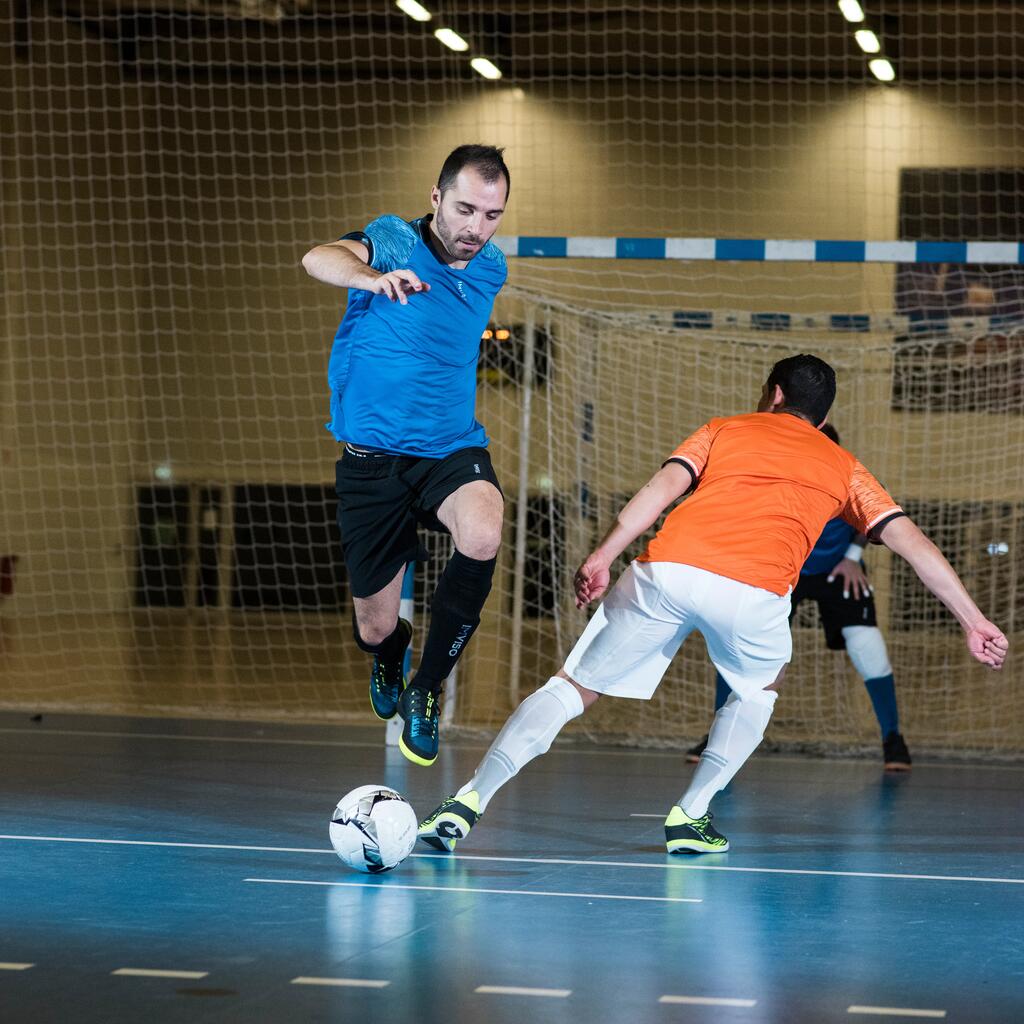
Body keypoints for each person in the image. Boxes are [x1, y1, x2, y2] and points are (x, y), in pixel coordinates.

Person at [417, 355, 1007, 854]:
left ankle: (467, 801)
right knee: (762, 683)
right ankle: (689, 815)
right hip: (753, 594)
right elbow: (914, 544)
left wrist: (603, 555)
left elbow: (658, 491)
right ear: (823, 416)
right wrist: (973, 619)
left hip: (666, 571)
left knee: (572, 686)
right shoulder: (846, 466)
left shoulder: (723, 428)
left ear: (773, 395)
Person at [302, 145, 510, 767]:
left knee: (484, 529)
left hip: (449, 449)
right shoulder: (393, 239)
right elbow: (318, 258)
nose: (477, 228)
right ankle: (392, 651)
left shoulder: (491, 267)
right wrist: (370, 277)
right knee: (372, 627)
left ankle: (427, 687)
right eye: (467, 208)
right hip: (371, 460)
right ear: (437, 199)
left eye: (493, 214)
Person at [686, 423, 912, 771]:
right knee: (743, 647)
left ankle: (893, 738)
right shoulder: (777, 473)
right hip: (784, 568)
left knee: (866, 644)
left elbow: (881, 513)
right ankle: (718, 736)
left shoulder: (848, 470)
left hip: (838, 569)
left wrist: (852, 558)